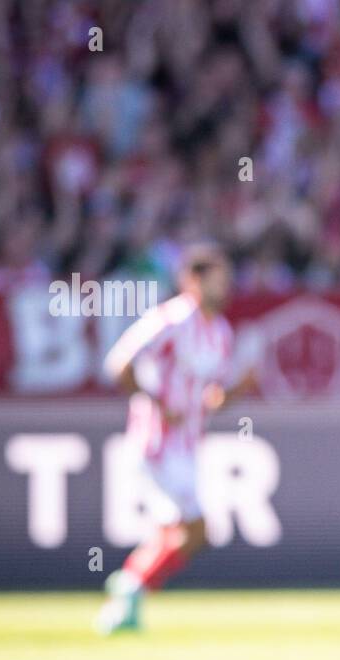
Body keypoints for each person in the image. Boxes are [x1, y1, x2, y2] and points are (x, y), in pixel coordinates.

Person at [95, 243, 255, 634]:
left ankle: (129, 593)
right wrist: (155, 402)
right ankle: (131, 586)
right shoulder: (170, 320)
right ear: (193, 281)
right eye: (217, 280)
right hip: (156, 442)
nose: (225, 289)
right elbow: (119, 363)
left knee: (176, 531)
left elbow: (208, 400)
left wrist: (239, 390)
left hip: (187, 445)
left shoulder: (219, 331)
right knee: (195, 528)